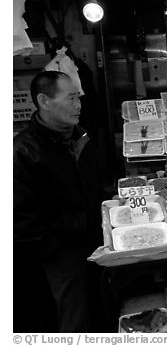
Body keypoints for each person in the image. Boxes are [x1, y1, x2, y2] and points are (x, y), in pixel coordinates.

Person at [13, 71, 103, 332]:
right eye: (71, 98)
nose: (79, 105)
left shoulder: (80, 136)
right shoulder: (23, 151)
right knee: (73, 316)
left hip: (94, 239)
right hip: (61, 253)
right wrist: (57, 246)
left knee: (99, 305)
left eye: (79, 98)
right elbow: (21, 222)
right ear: (44, 100)